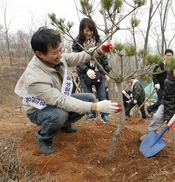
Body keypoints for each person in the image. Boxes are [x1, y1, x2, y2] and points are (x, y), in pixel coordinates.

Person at [14, 27, 122, 156]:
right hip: (38, 109)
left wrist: (99, 50)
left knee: (89, 98)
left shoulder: (58, 58)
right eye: (55, 52)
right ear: (39, 54)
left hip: (57, 100)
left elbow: (78, 57)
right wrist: (97, 107)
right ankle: (44, 138)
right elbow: (61, 101)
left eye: (60, 50)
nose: (60, 55)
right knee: (59, 114)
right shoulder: (35, 77)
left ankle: (63, 125)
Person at [140, 55, 175, 151]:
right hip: (168, 103)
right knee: (157, 117)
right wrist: (168, 118)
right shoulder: (168, 81)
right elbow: (169, 100)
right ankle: (150, 132)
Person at [72, 18, 111, 123]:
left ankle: (104, 115)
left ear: (94, 30)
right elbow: (76, 59)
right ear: (82, 30)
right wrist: (86, 69)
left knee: (102, 95)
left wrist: (106, 71)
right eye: (86, 31)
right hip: (84, 74)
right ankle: (91, 113)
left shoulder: (98, 41)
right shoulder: (77, 42)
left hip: (99, 72)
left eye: (91, 30)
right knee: (89, 95)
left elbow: (103, 57)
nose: (89, 33)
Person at [146, 49, 173, 115]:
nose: (169, 57)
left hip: (167, 87)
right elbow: (153, 73)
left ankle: (155, 111)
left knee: (165, 101)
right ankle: (148, 109)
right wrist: (156, 83)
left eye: (170, 56)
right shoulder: (160, 64)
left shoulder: (172, 66)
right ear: (165, 56)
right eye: (168, 55)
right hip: (159, 86)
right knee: (161, 101)